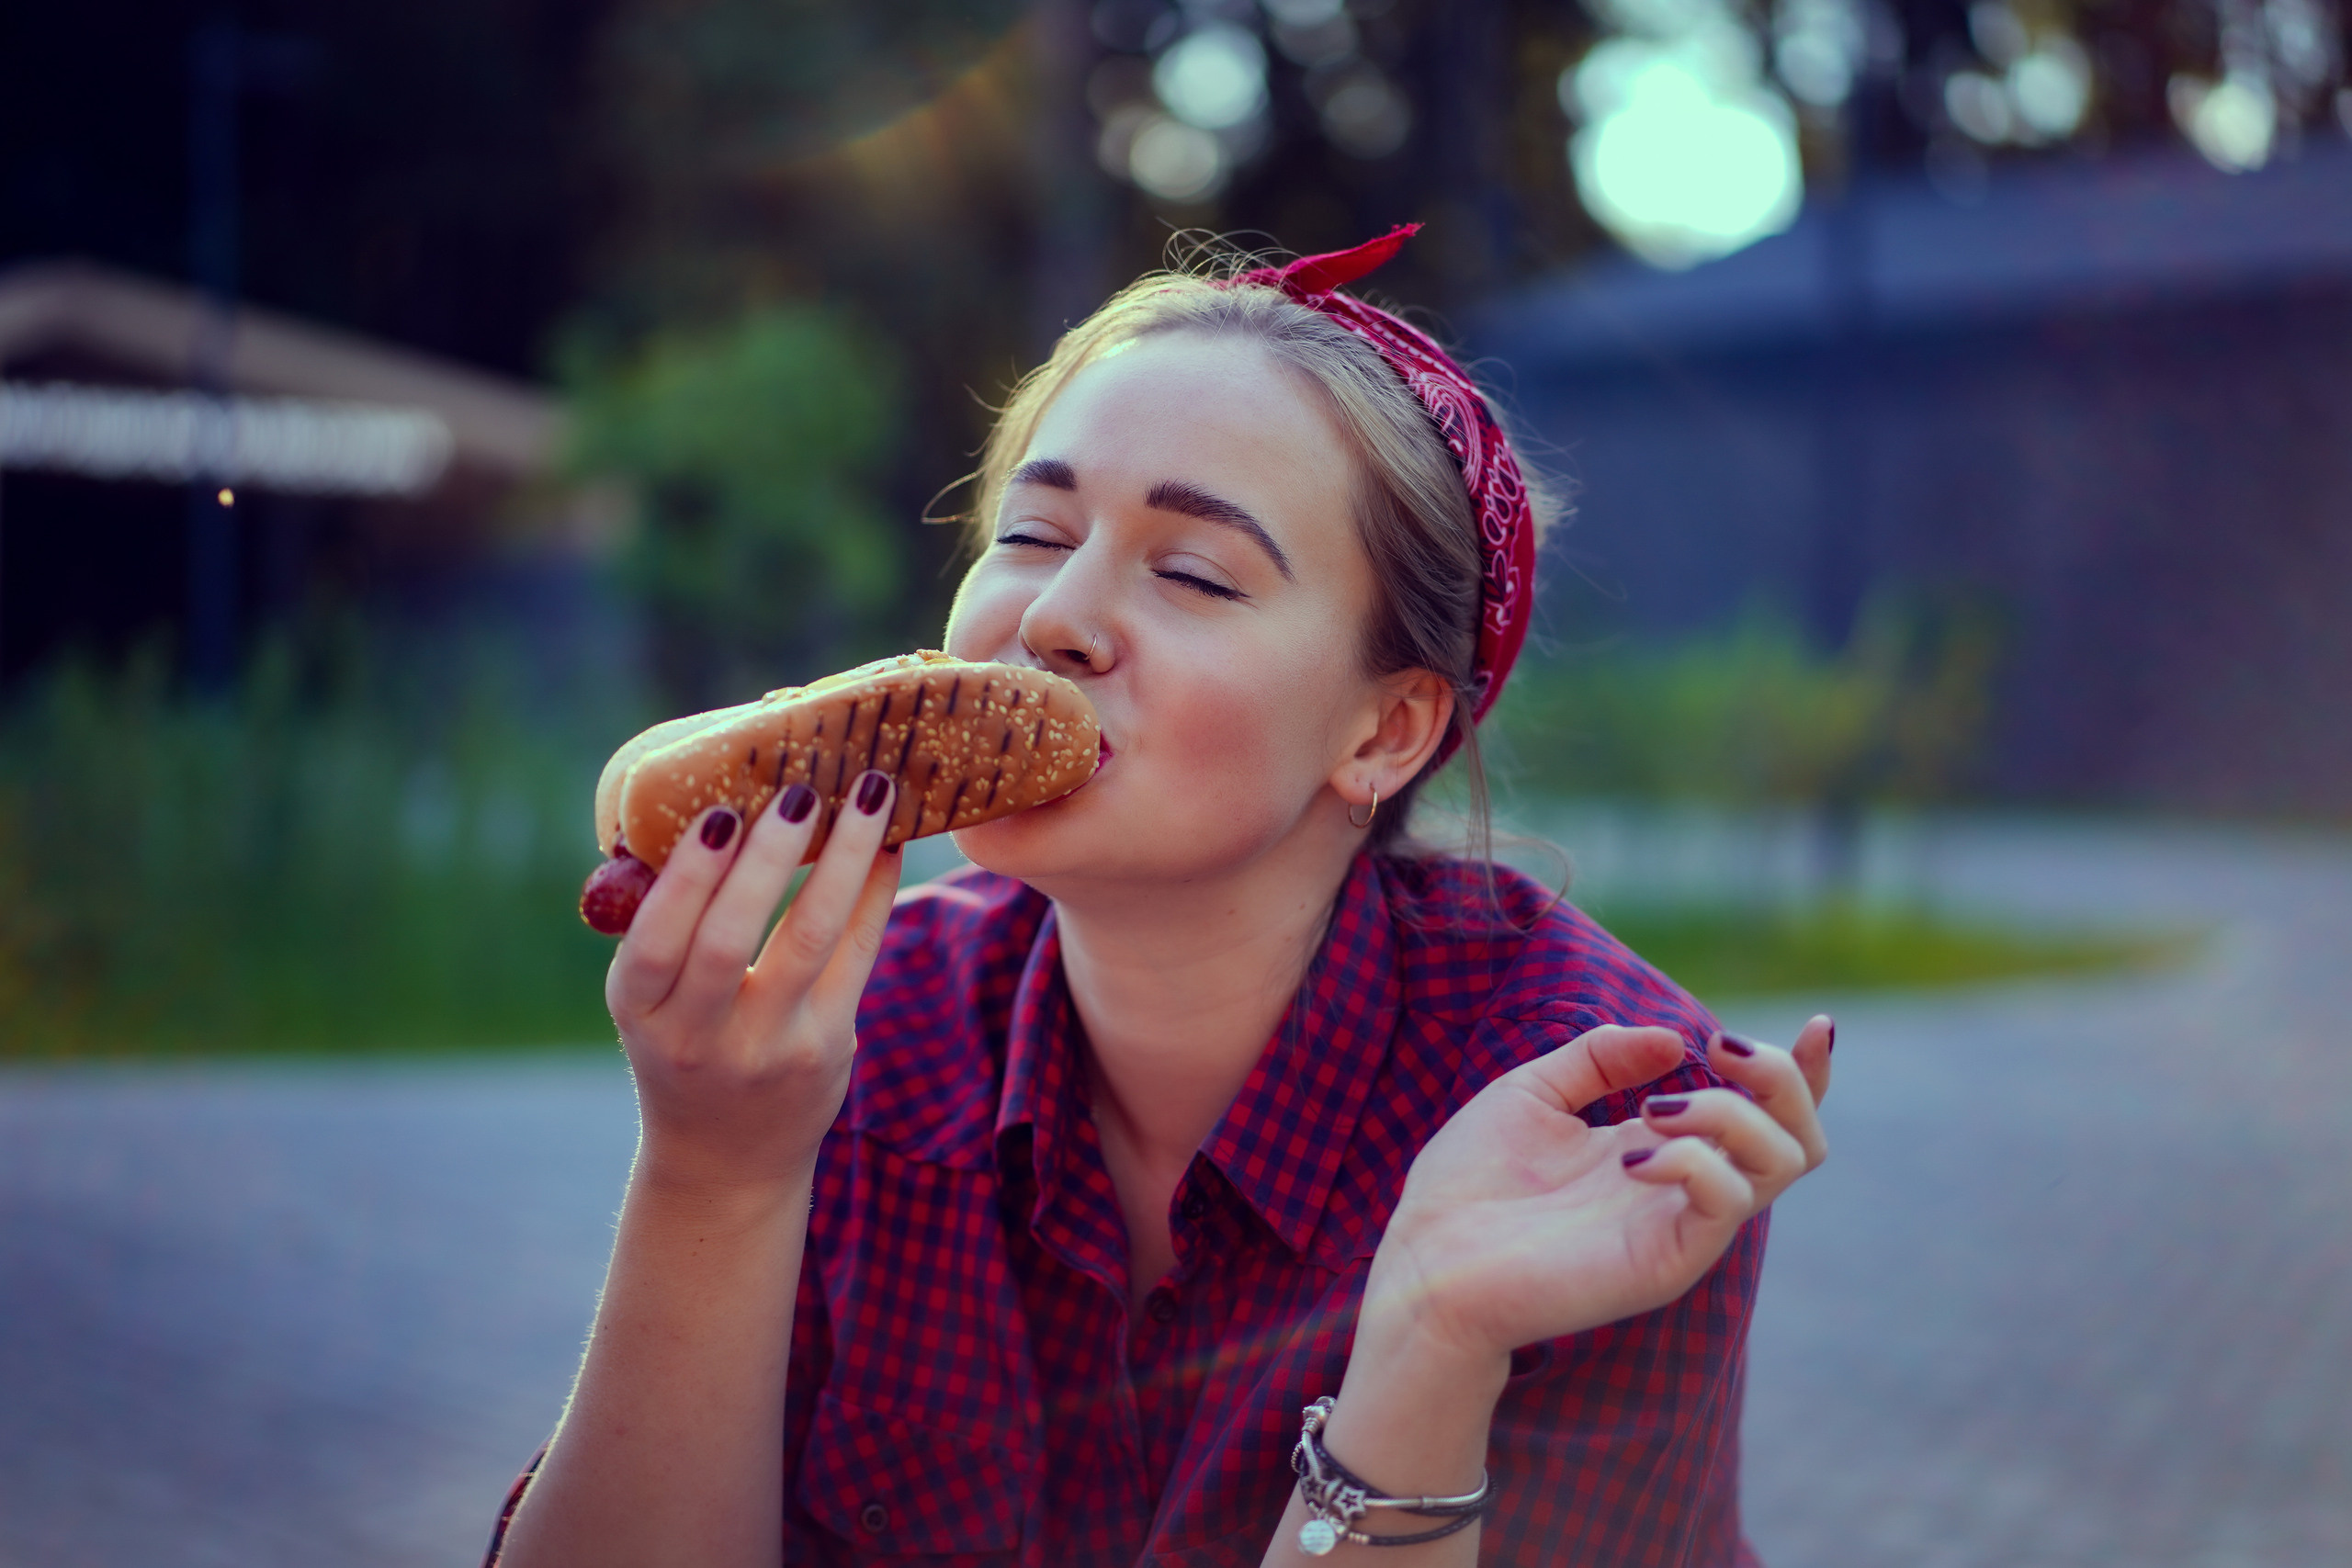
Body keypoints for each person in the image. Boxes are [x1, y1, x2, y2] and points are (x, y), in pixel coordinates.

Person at [487, 227, 1832, 1568]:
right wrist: (715, 1169)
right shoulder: (860, 1035)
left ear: (1384, 734)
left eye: (1191, 571)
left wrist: (1432, 1345)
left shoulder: (1599, 1118)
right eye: (1032, 531)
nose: (1056, 618)